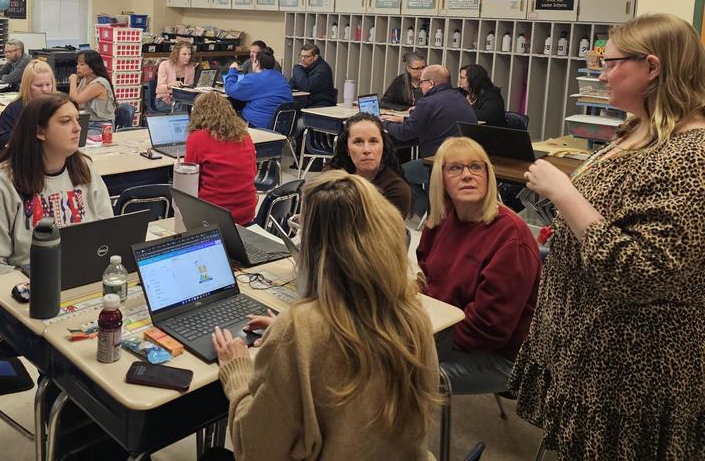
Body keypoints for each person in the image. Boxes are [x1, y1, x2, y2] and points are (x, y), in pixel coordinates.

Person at [510, 13, 705, 461]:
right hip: (589, 354)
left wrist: (563, 192)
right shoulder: (639, 130)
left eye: (611, 62)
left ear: (652, 68)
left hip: (631, 372)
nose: (601, 74)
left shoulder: (692, 155)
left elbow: (641, 273)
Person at [212, 170, 440, 461]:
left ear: (313, 245)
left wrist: (238, 372)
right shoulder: (413, 314)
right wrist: (291, 337)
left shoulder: (299, 328)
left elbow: (256, 450)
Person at [0, 93, 113, 334]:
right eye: (65, 122)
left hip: (75, 284)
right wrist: (40, 289)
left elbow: (106, 234)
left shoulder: (85, 169)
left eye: (77, 119)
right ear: (40, 132)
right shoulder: (0, 184)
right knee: (72, 349)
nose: (77, 128)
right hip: (17, 296)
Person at [417, 137, 541, 394]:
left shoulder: (510, 236)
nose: (467, 175)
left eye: (476, 167)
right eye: (455, 168)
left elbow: (489, 328)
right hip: (450, 331)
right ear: (441, 178)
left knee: (397, 372)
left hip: (501, 356)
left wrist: (422, 338)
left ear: (488, 175)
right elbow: (427, 275)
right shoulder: (441, 220)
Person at [384, 65, 477, 217]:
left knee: (396, 174)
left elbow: (404, 133)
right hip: (465, 161)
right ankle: (437, 210)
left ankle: (429, 213)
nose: (420, 86)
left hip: (438, 163)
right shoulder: (460, 97)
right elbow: (437, 120)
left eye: (422, 82)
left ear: (431, 83)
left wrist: (385, 123)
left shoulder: (427, 102)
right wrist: (404, 119)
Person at [185, 91, 258, 226]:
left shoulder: (197, 138)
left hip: (214, 216)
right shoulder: (245, 137)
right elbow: (253, 171)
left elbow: (189, 181)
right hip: (247, 214)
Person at [326, 111, 412, 219]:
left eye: (373, 141)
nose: (366, 150)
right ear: (347, 148)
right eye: (358, 142)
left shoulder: (397, 190)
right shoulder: (331, 176)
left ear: (383, 146)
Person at [0, 59, 56, 150]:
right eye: (38, 85)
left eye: (48, 84)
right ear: (27, 86)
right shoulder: (14, 109)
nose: (45, 89)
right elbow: (1, 139)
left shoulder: (58, 107)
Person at [224, 49, 292, 129]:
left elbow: (229, 89)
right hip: (281, 125)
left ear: (256, 63)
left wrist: (232, 71)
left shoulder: (254, 78)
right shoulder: (282, 78)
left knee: (226, 116)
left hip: (257, 123)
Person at [68, 49, 115, 124]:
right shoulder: (84, 80)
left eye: (82, 64)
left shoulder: (99, 83)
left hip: (100, 124)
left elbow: (74, 101)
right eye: (78, 64)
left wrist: (73, 80)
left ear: (92, 67)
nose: (77, 67)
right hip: (88, 121)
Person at [288, 43, 337, 108]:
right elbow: (291, 84)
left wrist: (297, 68)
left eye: (306, 56)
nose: (302, 59)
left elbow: (306, 87)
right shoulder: (305, 67)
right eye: (301, 56)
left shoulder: (323, 70)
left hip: (320, 105)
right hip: (307, 102)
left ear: (315, 57)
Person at [154, 40, 196, 112]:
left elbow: (190, 88)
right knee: (182, 108)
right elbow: (159, 89)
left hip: (182, 100)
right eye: (184, 54)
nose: (188, 57)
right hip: (163, 99)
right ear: (177, 54)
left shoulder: (191, 68)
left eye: (189, 54)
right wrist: (169, 85)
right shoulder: (164, 65)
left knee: (199, 107)